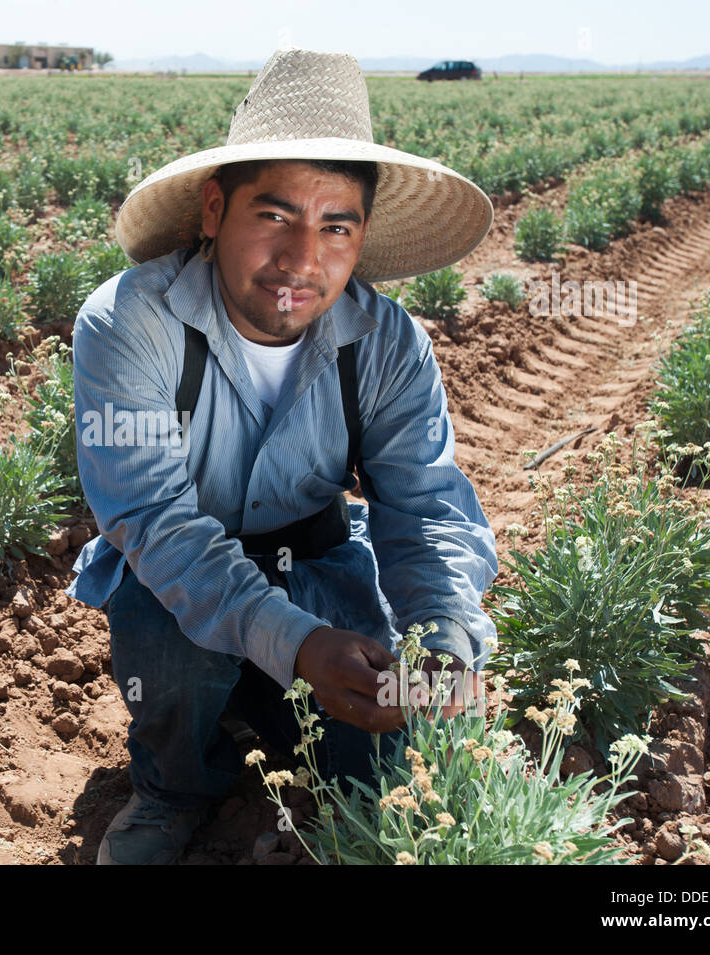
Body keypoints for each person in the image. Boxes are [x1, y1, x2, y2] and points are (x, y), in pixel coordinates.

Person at [65, 48, 499, 865]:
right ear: (213, 210)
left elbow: (427, 506)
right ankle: (174, 786)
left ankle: (262, 702)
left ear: (363, 236)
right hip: (176, 573)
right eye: (274, 216)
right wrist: (297, 644)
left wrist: (443, 638)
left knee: (377, 767)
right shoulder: (132, 324)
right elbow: (155, 524)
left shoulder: (386, 341)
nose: (303, 258)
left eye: (337, 226)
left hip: (322, 558)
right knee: (173, 641)